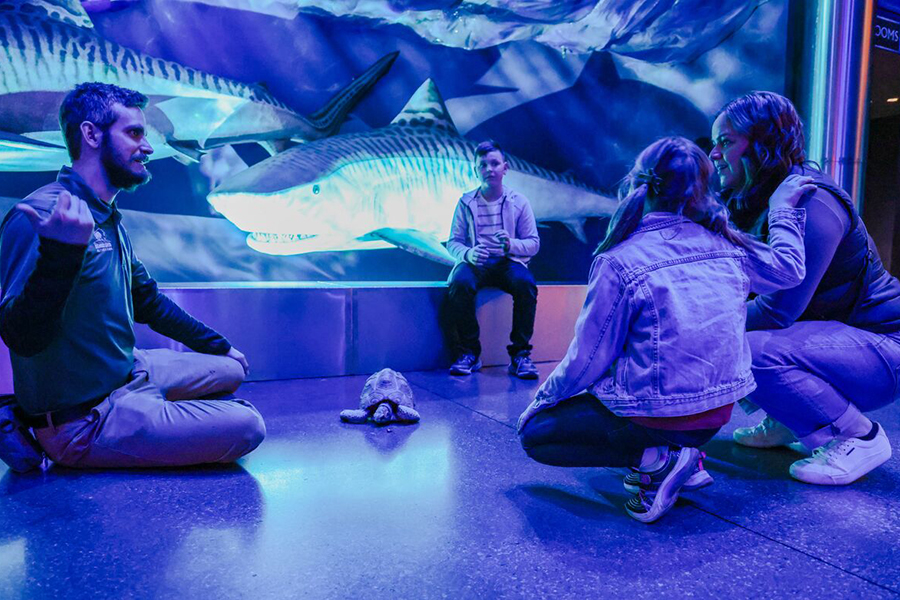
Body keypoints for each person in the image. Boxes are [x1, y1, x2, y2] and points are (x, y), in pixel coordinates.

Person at [517, 137, 811, 522]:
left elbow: (587, 359)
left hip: (661, 415)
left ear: (639, 185)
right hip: (717, 415)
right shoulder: (730, 246)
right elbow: (790, 270)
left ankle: (658, 460)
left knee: (536, 435)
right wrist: (783, 210)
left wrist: (541, 400)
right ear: (704, 190)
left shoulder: (620, 259)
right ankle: (683, 458)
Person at [0, 82, 266, 469]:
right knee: (248, 425)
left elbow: (146, 299)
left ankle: (152, 410)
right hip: (85, 419)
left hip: (128, 371)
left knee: (231, 367)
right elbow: (21, 336)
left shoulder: (105, 213)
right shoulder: (44, 216)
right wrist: (61, 254)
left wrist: (218, 344)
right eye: (134, 133)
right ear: (90, 134)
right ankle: (26, 424)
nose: (148, 147)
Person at [711, 91, 900, 485]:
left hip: (886, 345)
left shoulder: (811, 201)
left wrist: (697, 327)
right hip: (844, 339)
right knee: (736, 334)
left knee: (747, 347)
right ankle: (790, 420)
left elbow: (778, 310)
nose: (714, 154)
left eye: (726, 141)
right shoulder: (756, 200)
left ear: (761, 143)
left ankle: (859, 436)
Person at [445, 140, 541, 379]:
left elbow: (533, 242)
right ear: (476, 170)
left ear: (505, 168)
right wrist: (468, 253)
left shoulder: (519, 201)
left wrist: (511, 244)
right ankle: (469, 353)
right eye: (483, 165)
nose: (489, 169)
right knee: (460, 283)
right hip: (478, 263)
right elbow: (453, 241)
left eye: (495, 163)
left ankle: (520, 355)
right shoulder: (466, 201)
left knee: (526, 284)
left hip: (508, 262)